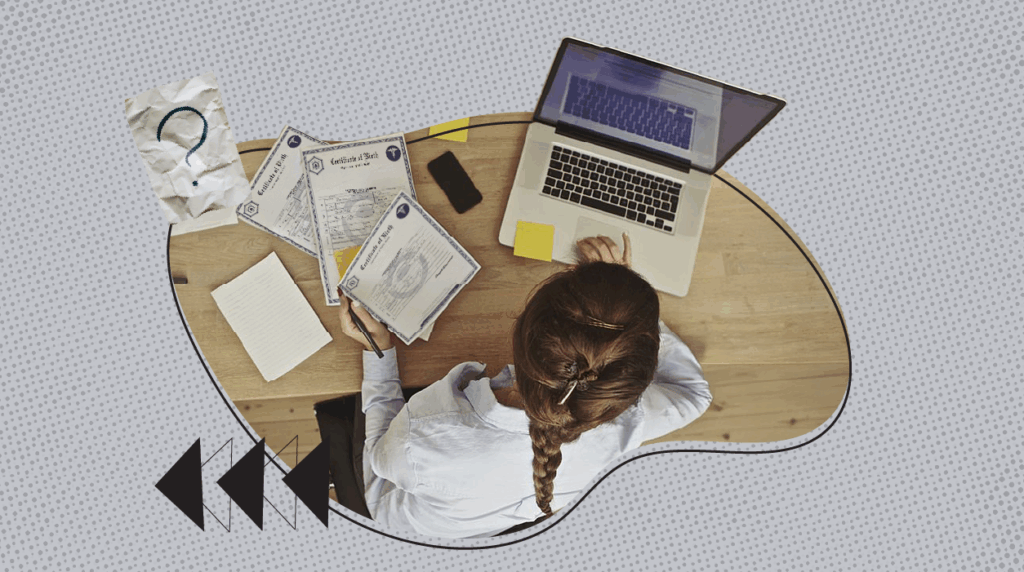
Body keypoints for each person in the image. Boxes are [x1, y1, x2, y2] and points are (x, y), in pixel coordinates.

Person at [337, 234, 712, 538]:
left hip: (393, 515)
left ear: (521, 328)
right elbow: (694, 396)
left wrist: (380, 352)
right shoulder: (629, 425)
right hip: (497, 522)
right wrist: (623, 311)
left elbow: (379, 460)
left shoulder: (424, 433)